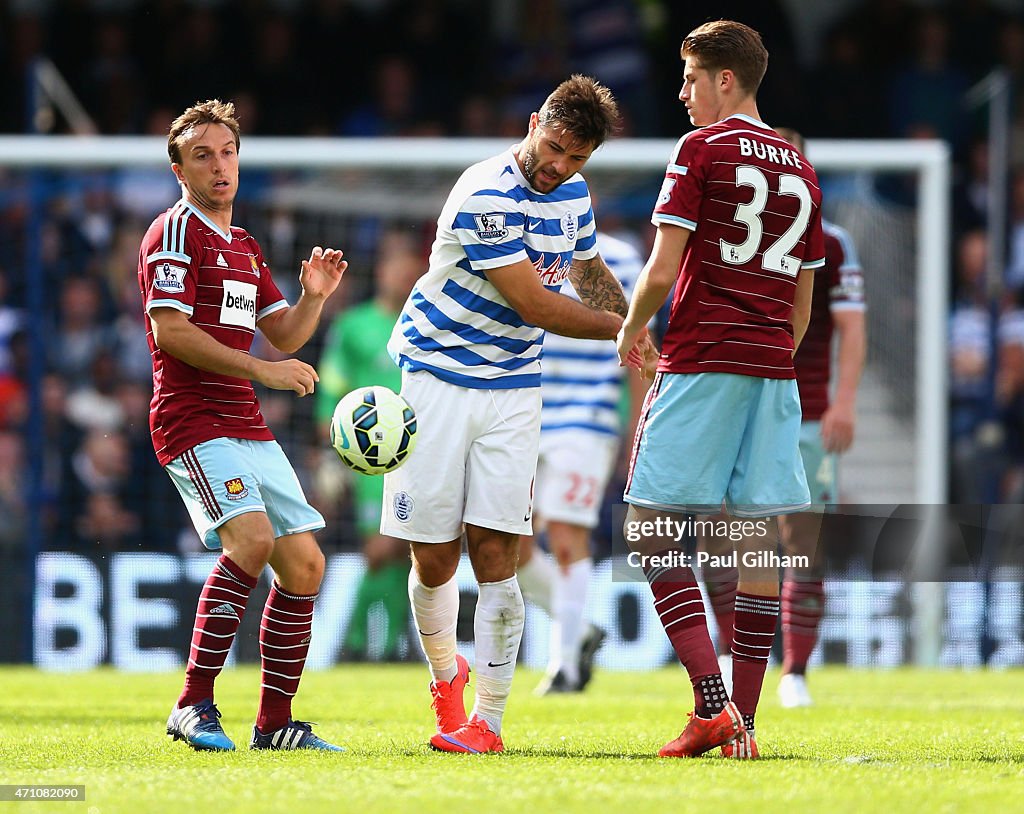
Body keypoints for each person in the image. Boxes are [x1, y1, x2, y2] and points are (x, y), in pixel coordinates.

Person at [384, 75, 639, 754]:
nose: (558, 166)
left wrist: (633, 315)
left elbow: (586, 271)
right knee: (434, 558)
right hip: (435, 380)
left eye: (576, 158)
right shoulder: (485, 192)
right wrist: (624, 334)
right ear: (533, 123)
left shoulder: (574, 194)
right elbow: (537, 305)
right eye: (553, 147)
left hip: (514, 388)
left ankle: (488, 723)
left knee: (499, 552)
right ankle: (446, 678)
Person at [616, 21, 825, 760]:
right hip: (773, 370)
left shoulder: (701, 149)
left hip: (703, 359)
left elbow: (663, 267)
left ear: (724, 80)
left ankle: (713, 707)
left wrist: (631, 328)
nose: (682, 93)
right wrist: (768, 355)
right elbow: (803, 306)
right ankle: (748, 724)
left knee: (649, 523)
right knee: (755, 540)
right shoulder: (802, 169)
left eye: (691, 77)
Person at [139, 99, 346, 752]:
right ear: (179, 168)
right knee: (251, 542)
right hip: (192, 421)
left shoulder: (245, 245)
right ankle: (191, 704)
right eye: (202, 154)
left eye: (227, 152)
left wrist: (313, 296)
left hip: (247, 427)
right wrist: (262, 370)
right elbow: (169, 332)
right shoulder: (174, 232)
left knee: (306, 565)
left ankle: (275, 724)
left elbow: (282, 333)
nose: (219, 165)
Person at [705, 128, 867, 708]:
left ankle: (795, 670)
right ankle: (730, 654)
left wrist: (844, 401)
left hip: (805, 411)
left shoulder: (833, 242)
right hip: (735, 405)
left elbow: (851, 328)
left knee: (802, 541)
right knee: (726, 534)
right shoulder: (728, 231)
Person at [517, 229, 648, 694]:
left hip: (585, 420)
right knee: (508, 544)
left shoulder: (619, 259)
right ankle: (584, 630)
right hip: (520, 412)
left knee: (568, 536)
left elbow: (639, 342)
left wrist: (637, 422)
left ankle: (564, 665)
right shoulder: (521, 245)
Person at [317, 233, 422, 661]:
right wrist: (331, 446)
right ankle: (358, 644)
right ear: (382, 272)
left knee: (406, 553)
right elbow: (332, 390)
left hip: (422, 454)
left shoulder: (425, 327)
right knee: (383, 549)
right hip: (371, 459)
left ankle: (386, 643)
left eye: (413, 273)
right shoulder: (353, 327)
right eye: (399, 270)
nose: (405, 279)